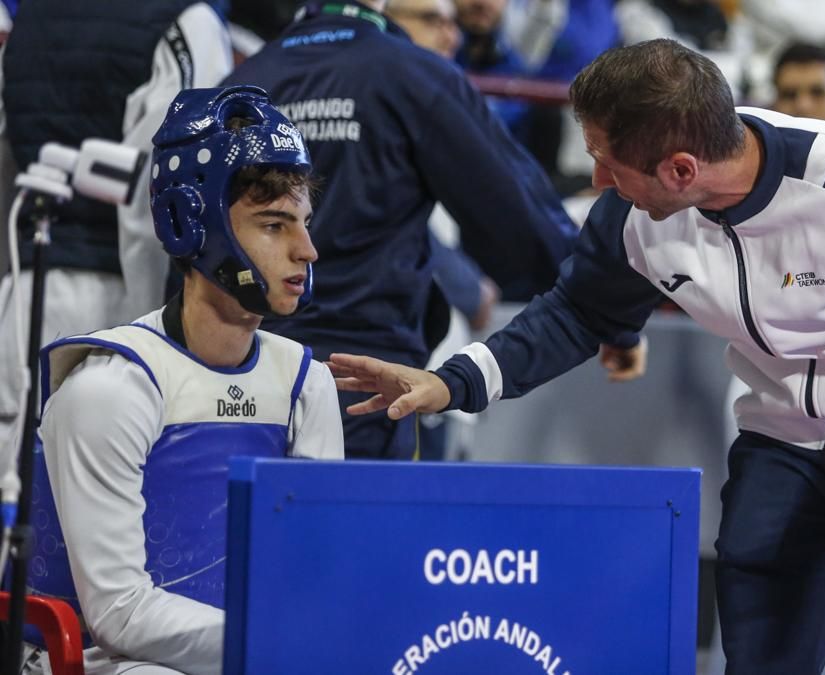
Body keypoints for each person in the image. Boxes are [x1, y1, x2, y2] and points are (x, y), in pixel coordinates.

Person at [330, 38, 825, 674]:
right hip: (784, 450)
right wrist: (451, 381)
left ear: (679, 167)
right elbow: (578, 312)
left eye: (607, 160)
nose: (599, 181)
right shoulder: (633, 216)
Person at [25, 86, 345, 675]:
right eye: (275, 226)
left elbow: (310, 570)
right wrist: (279, 644)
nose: (308, 250)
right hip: (105, 661)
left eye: (303, 223)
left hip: (249, 654)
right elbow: (119, 613)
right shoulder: (111, 389)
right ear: (191, 225)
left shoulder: (306, 383)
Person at [224, 0, 626, 460]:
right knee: (360, 529)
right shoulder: (412, 76)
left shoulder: (238, 84)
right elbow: (522, 223)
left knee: (245, 527)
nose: (451, 36)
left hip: (240, 373)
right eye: (434, 19)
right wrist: (603, 308)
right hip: (367, 381)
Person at [0, 0, 233, 455]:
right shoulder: (184, 20)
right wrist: (155, 328)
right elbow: (165, 188)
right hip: (112, 302)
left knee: (16, 501)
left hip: (22, 295)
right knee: (108, 507)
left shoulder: (31, 15)